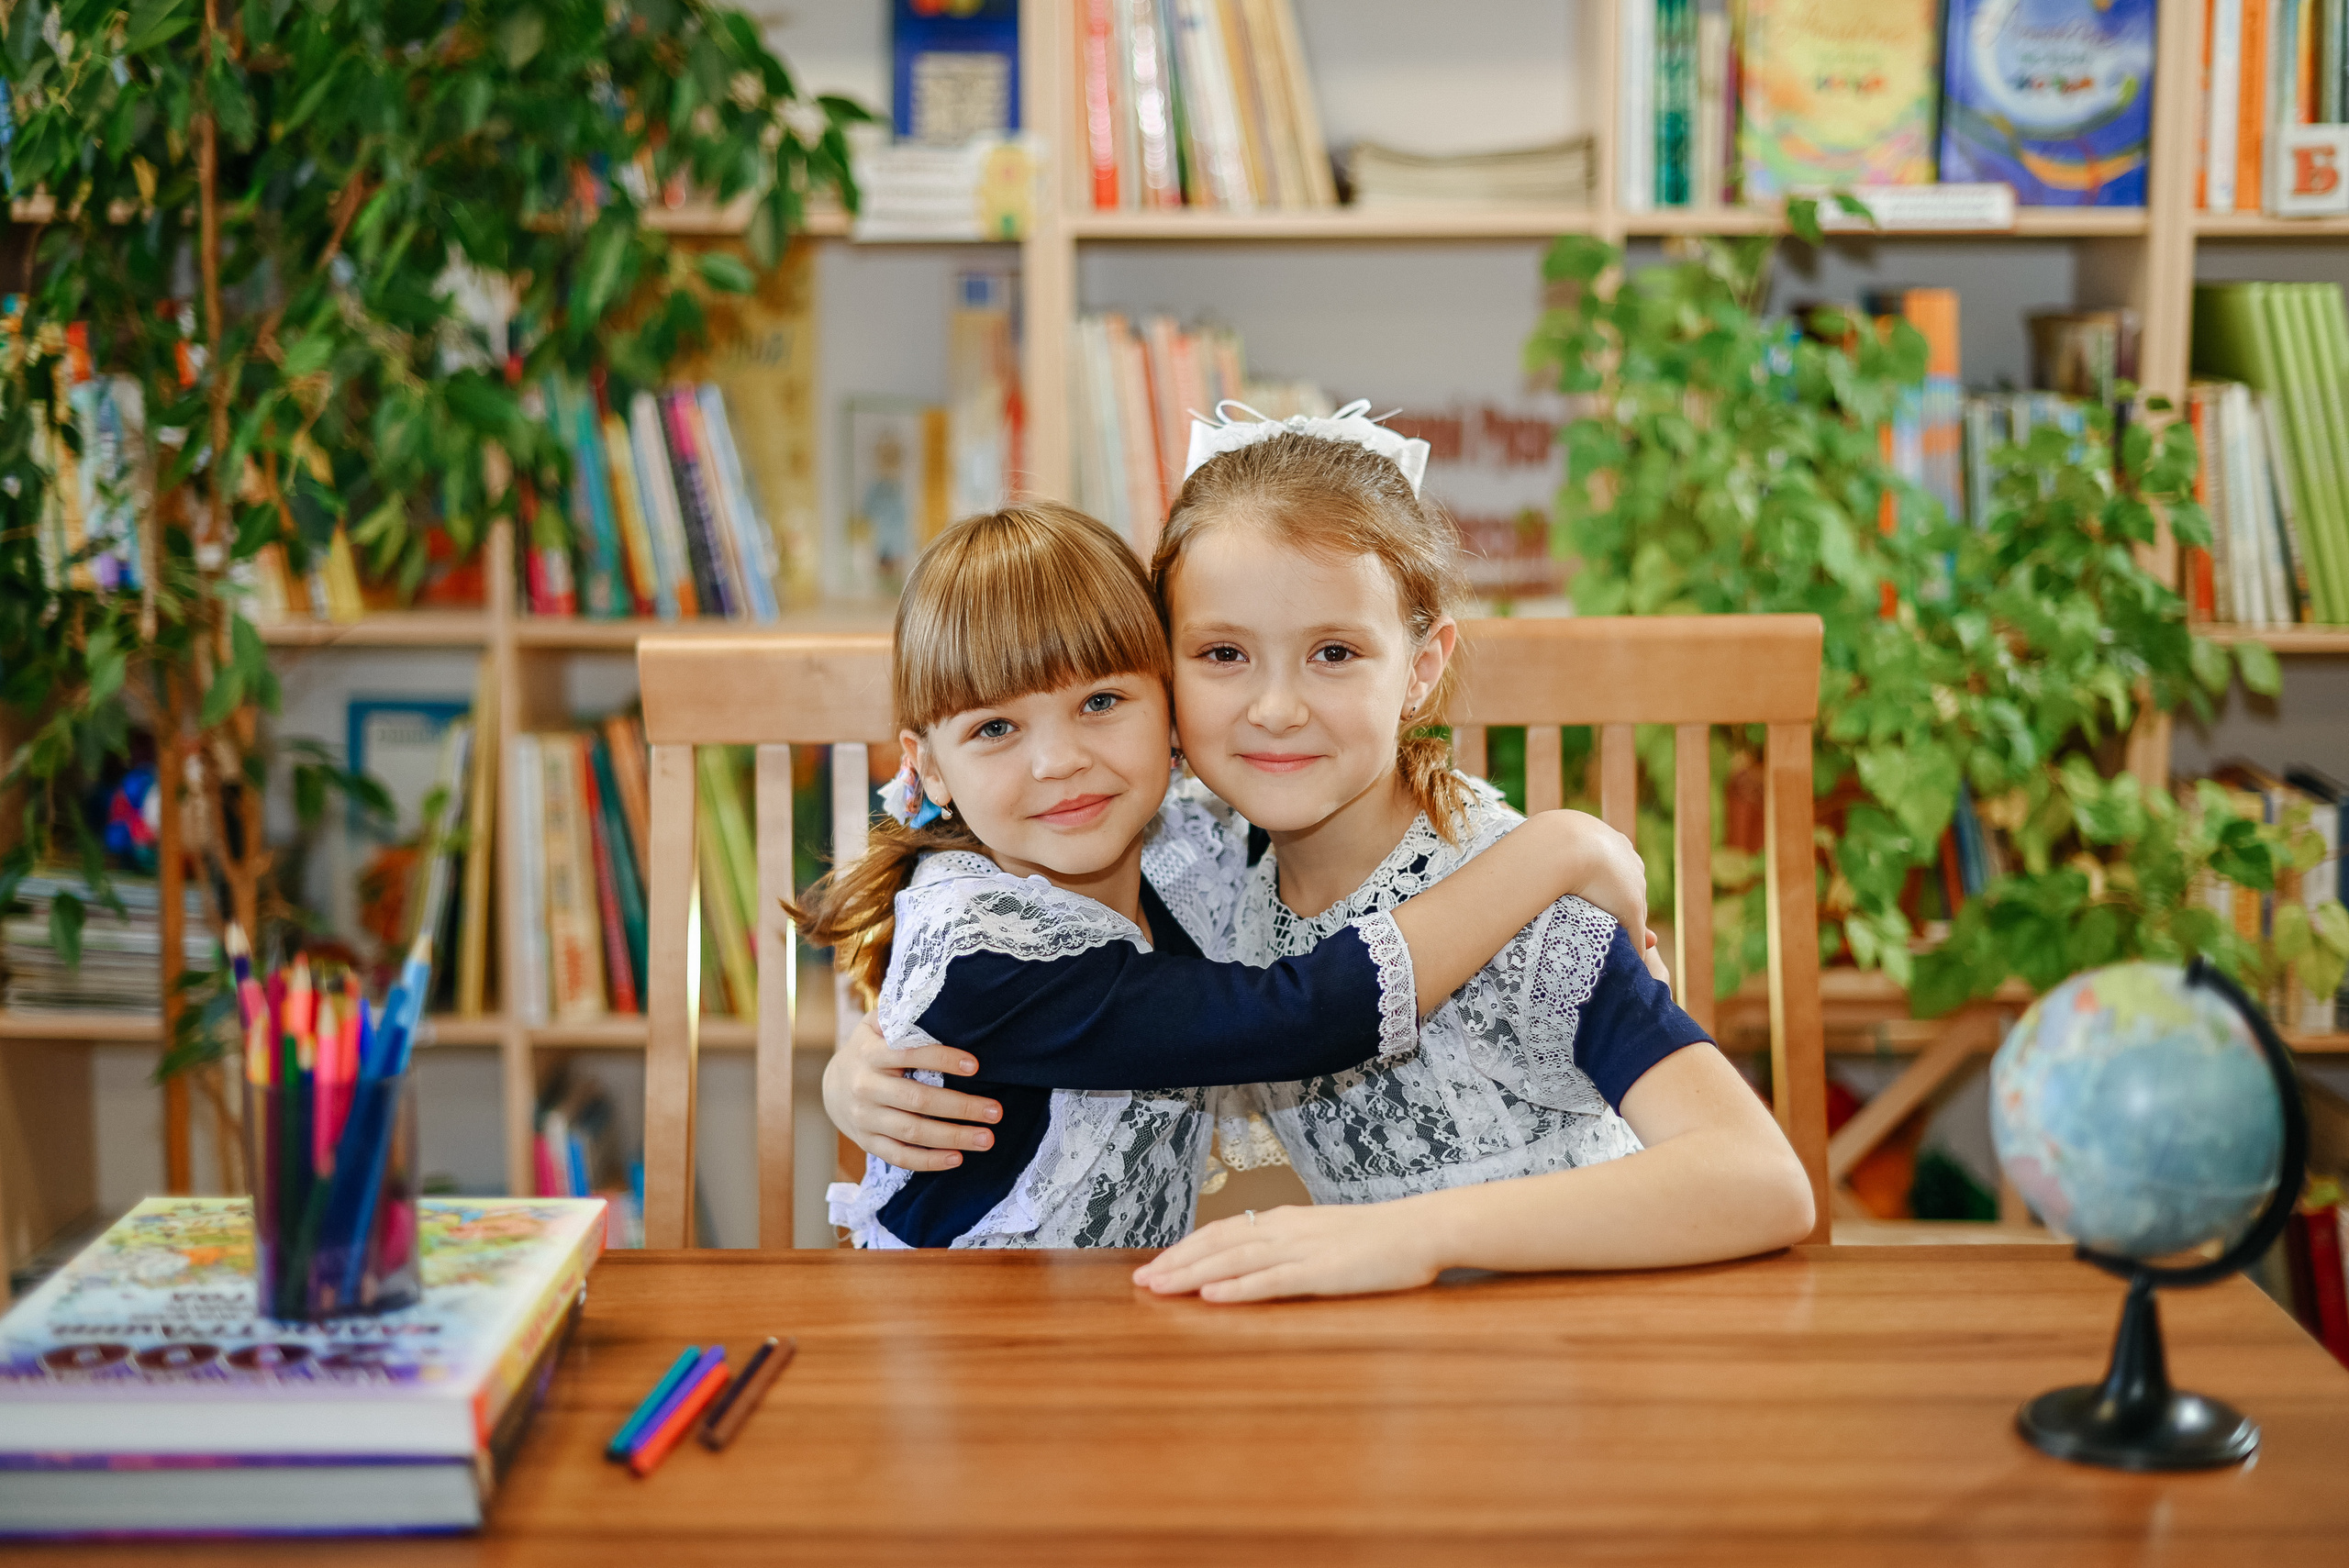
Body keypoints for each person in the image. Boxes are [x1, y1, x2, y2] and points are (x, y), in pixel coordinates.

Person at [830, 406, 1815, 1296]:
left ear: (1422, 668)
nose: (1274, 707)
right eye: (1222, 654)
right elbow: (1023, 964)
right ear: (1167, 679)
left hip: (1583, 1349)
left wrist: (1412, 1235)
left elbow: (1759, 1179)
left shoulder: (1505, 903)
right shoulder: (1201, 861)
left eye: (1335, 652)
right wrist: (864, 1063)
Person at [796, 500, 1657, 1250]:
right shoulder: (985, 951)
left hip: (1111, 1329)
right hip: (965, 1344)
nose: (1059, 762)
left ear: (1169, 709)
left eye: (1101, 702)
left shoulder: (1180, 847)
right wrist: (1558, 850)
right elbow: (1298, 1019)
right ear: (928, 768)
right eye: (995, 729)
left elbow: (1356, 810)